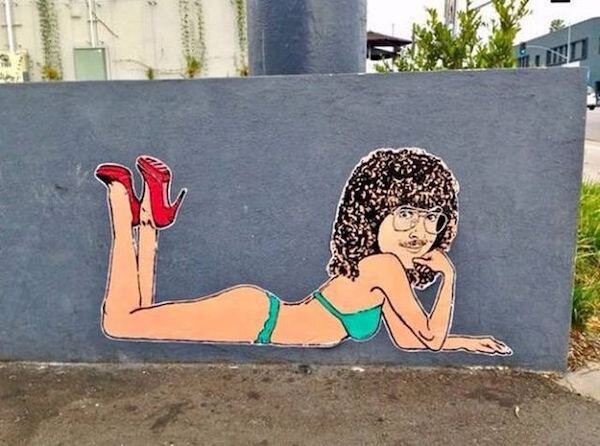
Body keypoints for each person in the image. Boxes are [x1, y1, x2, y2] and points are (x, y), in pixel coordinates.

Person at [94, 148, 511, 355]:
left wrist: (466, 342)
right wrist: (449, 276)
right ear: (372, 212)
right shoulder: (383, 267)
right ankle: (119, 198)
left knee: (139, 316)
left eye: (431, 217)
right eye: (405, 214)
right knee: (120, 323)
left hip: (259, 317)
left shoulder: (384, 276)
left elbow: (408, 339)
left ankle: (150, 215)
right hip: (256, 319)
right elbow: (429, 338)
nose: (419, 231)